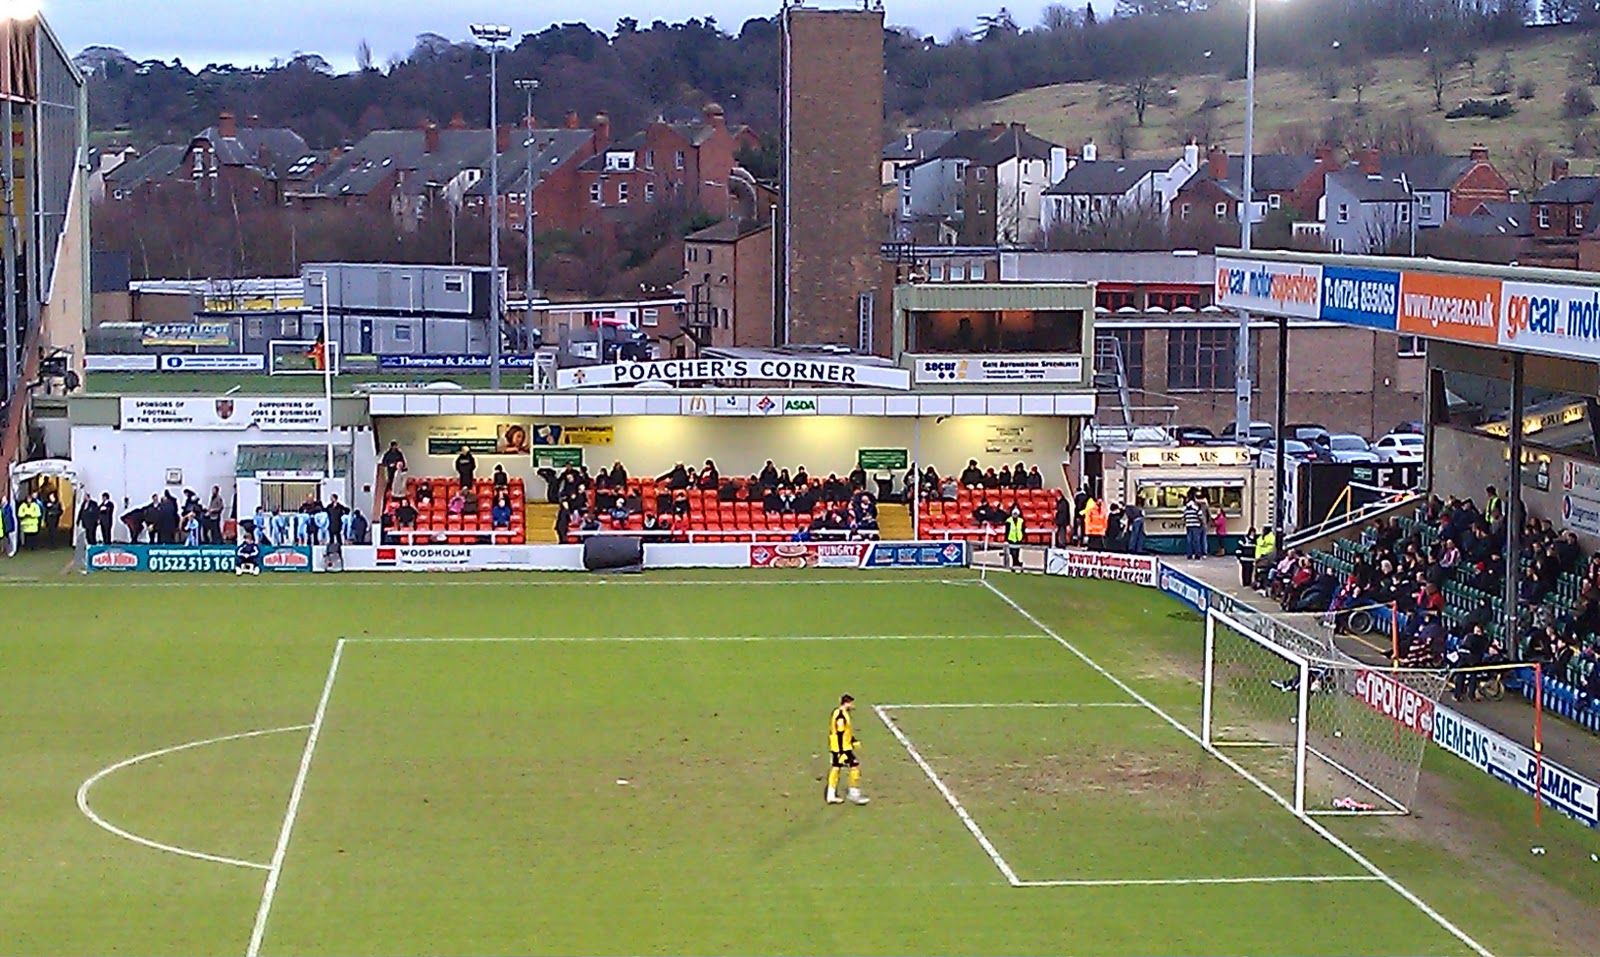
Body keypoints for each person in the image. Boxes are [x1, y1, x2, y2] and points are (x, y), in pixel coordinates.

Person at [825, 694, 868, 805]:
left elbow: (845, 732)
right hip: (842, 748)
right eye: (851, 703)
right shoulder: (841, 716)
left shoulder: (839, 713)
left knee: (836, 768)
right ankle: (854, 794)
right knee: (854, 766)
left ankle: (830, 795)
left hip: (838, 747)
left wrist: (853, 740)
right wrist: (841, 752)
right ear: (847, 703)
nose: (853, 706)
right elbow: (840, 733)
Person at [1182, 491, 1206, 560]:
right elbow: (1200, 516)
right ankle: (1197, 555)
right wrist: (1202, 523)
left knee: (1189, 540)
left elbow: (1183, 517)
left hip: (1188, 525)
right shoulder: (1196, 507)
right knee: (1196, 541)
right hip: (1196, 526)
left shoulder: (1185, 508)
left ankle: (1189, 554)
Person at [1004, 505, 1026, 570]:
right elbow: (1007, 530)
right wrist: (1006, 539)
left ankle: (1016, 563)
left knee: (1017, 552)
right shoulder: (1009, 521)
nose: (1015, 515)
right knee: (1013, 553)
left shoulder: (1021, 521)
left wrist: (1023, 537)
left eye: (1016, 514)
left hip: (1018, 538)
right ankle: (1015, 563)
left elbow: (1023, 529)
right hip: (1011, 538)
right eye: (1014, 514)